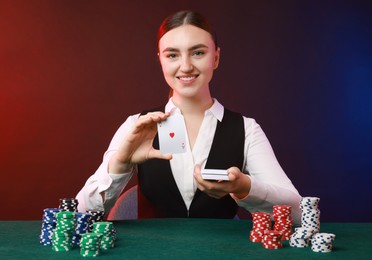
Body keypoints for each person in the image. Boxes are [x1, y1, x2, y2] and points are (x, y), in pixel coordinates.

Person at [76, 10, 302, 223]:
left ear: (215, 58)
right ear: (161, 60)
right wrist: (120, 164)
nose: (185, 66)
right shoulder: (136, 125)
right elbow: (81, 214)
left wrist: (244, 187)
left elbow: (299, 213)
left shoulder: (247, 129)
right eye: (172, 55)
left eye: (198, 53)